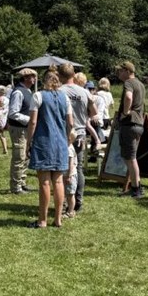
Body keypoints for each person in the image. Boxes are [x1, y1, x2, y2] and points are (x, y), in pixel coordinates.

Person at [27, 68, 73, 228]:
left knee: (45, 183)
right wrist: (67, 138)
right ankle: (58, 219)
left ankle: (42, 220)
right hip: (60, 143)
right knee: (59, 181)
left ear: (44, 81)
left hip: (43, 142)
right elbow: (71, 123)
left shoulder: (38, 96)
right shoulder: (64, 97)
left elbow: (32, 122)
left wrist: (29, 142)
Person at [59, 64, 95, 215]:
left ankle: (63, 202)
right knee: (78, 168)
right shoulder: (84, 92)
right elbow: (94, 112)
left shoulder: (59, 91)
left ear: (60, 76)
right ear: (74, 74)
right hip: (80, 133)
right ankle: (77, 201)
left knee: (61, 169)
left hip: (63, 133)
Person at [115, 61, 145, 198]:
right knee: (132, 158)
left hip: (129, 124)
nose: (118, 74)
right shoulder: (141, 84)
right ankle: (137, 185)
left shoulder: (129, 83)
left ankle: (136, 189)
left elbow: (128, 97)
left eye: (120, 71)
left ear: (127, 71)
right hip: (139, 124)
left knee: (130, 158)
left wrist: (125, 112)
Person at [7, 68, 37, 194]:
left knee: (25, 156)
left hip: (25, 128)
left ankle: (22, 182)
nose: (35, 79)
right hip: (18, 129)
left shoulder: (28, 91)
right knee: (19, 157)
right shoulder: (18, 92)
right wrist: (30, 119)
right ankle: (15, 187)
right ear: (25, 78)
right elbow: (13, 113)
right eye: (32, 77)